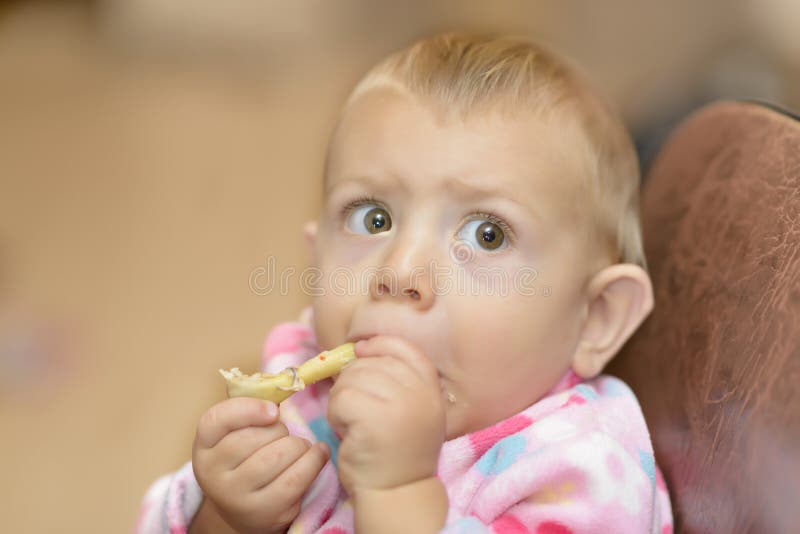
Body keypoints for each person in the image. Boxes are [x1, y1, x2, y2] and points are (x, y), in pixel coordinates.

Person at [135, 32, 673, 534]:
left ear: (595, 318)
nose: (399, 273)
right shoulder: (303, 395)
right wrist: (223, 516)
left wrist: (400, 494)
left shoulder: (582, 467)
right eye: (373, 219)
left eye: (487, 235)